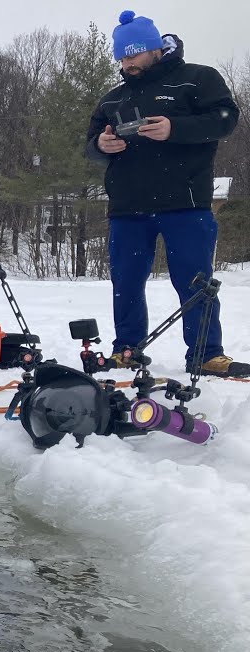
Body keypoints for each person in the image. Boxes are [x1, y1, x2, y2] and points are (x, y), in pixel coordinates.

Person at [86, 11, 246, 378]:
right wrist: (102, 144)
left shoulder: (197, 80)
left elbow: (226, 118)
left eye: (133, 56)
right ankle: (127, 349)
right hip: (128, 207)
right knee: (126, 281)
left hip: (185, 202)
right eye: (122, 58)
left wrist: (175, 128)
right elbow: (90, 146)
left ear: (155, 49)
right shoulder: (114, 98)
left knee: (195, 282)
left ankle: (206, 354)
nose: (127, 64)